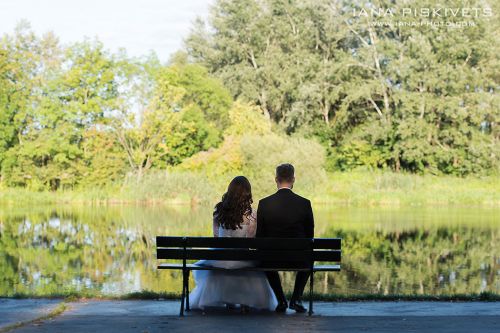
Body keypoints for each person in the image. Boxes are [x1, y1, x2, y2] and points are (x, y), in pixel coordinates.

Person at [189, 176, 277, 312]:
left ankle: (228, 301)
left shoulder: (219, 211)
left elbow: (216, 237)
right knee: (250, 265)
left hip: (221, 259)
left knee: (223, 263)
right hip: (242, 259)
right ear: (248, 192)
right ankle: (245, 303)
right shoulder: (251, 214)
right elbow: (251, 240)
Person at [256, 163, 315, 313]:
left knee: (265, 259)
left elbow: (259, 236)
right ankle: (295, 299)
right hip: (299, 258)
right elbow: (310, 235)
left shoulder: (264, 203)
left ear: (276, 179)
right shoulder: (304, 203)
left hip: (271, 259)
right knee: (309, 258)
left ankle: (281, 300)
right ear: (293, 179)